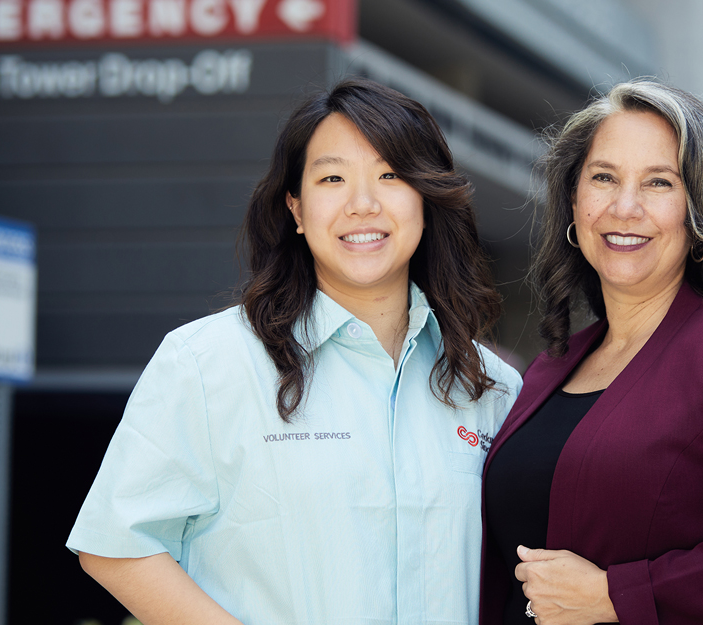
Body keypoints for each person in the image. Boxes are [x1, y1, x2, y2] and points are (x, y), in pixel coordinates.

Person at [67, 78, 522, 624]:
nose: (362, 204)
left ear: (425, 200)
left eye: (390, 174)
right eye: (332, 177)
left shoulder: (490, 386)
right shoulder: (207, 363)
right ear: (297, 209)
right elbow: (117, 545)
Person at [480, 79, 703, 625]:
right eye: (604, 177)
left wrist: (616, 594)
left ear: (695, 213)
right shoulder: (550, 367)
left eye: (658, 183)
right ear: (575, 204)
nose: (625, 207)